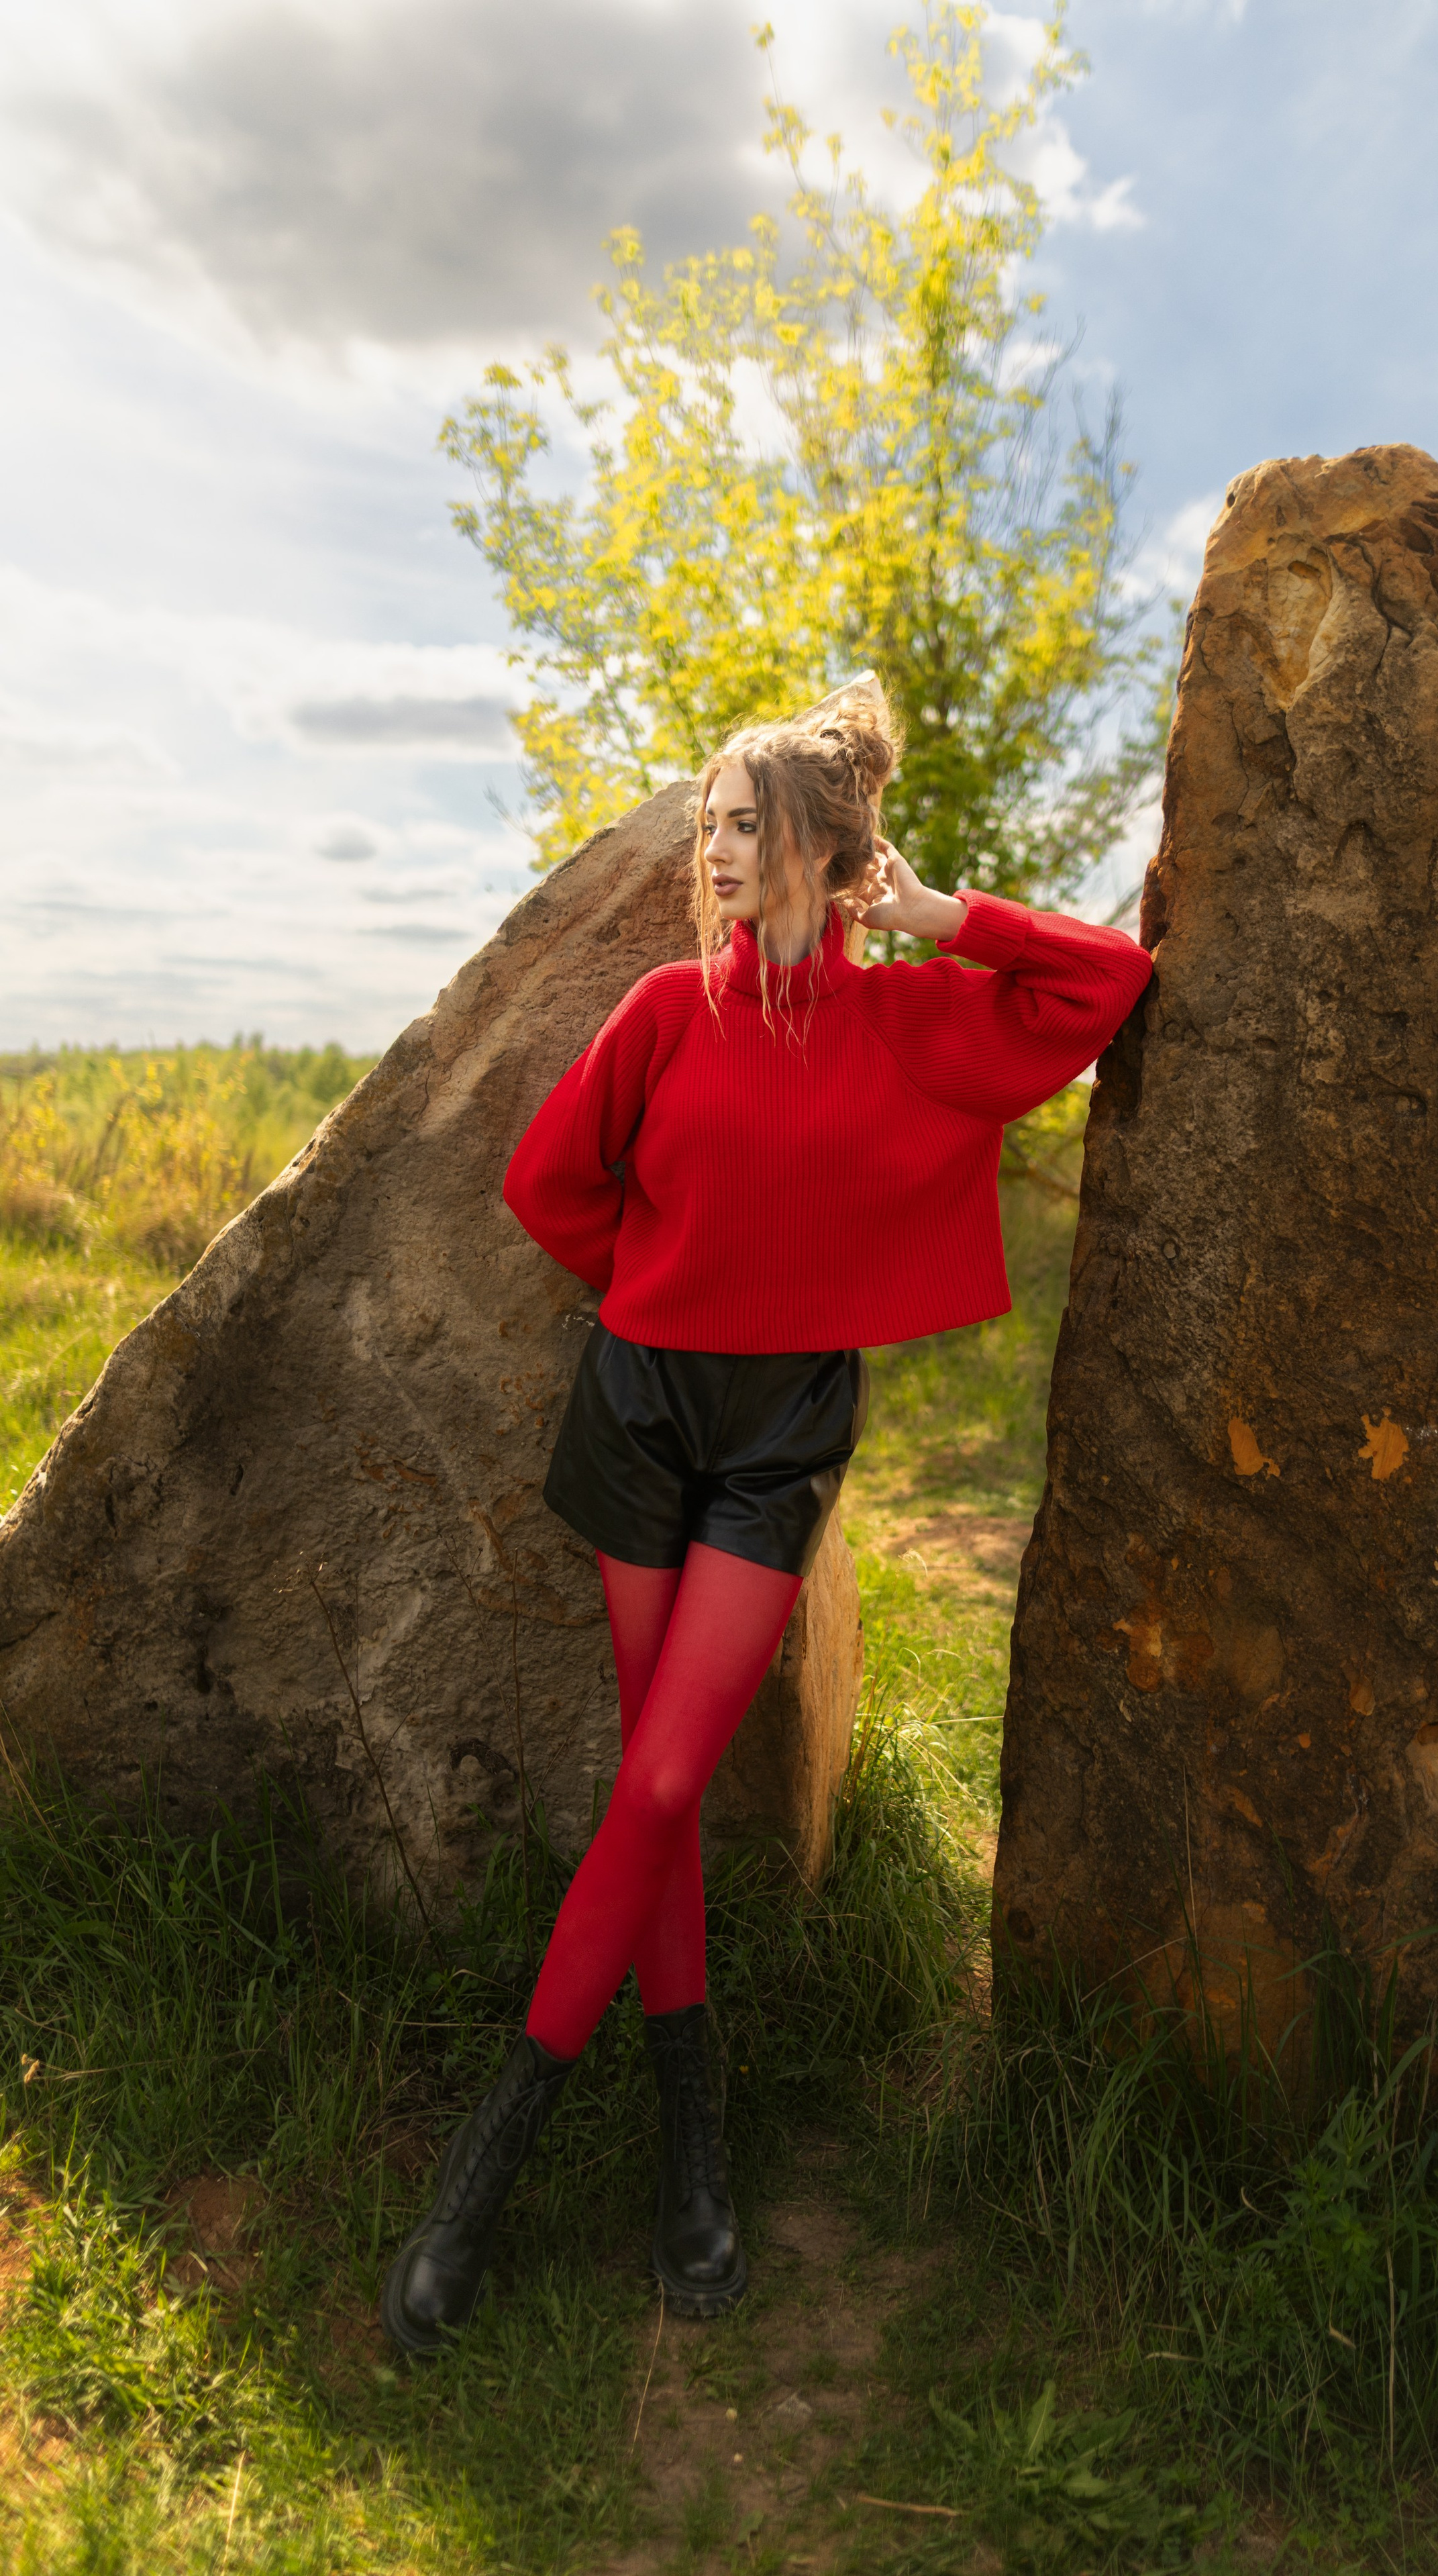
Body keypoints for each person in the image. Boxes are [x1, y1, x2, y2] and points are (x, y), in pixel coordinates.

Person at [380, 685, 1153, 2354]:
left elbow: (1104, 983)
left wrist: (939, 915)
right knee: (652, 1793)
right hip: (640, 1412)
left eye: (740, 823)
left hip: (778, 1437)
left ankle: (484, 2176)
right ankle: (684, 2159)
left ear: (816, 848)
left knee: (663, 1776)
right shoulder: (664, 1010)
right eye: (710, 821)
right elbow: (546, 1186)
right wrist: (653, 1293)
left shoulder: (909, 1027)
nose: (708, 847)